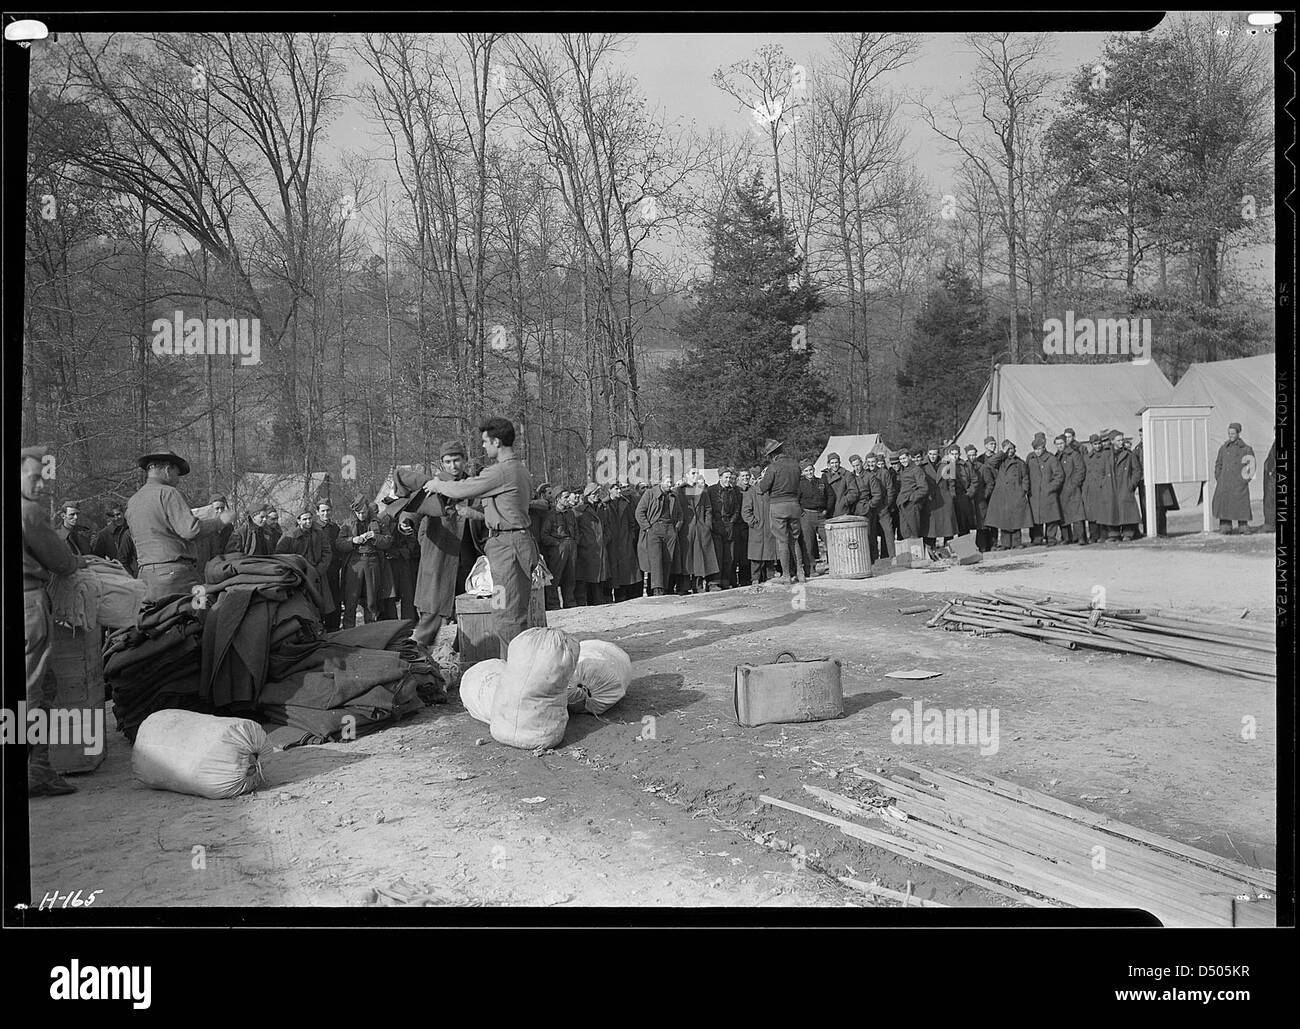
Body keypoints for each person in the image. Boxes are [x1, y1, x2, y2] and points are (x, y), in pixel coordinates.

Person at [423, 417, 537, 657]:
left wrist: (437, 484)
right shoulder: (519, 469)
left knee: (506, 614)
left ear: (496, 441)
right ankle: (517, 663)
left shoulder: (500, 471)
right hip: (514, 543)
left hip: (508, 549)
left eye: (485, 442)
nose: (484, 447)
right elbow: (508, 512)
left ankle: (514, 670)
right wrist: (471, 513)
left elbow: (464, 488)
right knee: (513, 610)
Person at [22, 445, 87, 797]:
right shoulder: (28, 512)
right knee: (37, 690)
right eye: (35, 477)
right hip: (28, 601)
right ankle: (36, 771)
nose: (42, 485)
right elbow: (62, 561)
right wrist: (77, 564)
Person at [126, 451, 233, 601]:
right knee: (200, 610)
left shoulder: (133, 501)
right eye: (177, 474)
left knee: (153, 619)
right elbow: (191, 530)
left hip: (145, 576)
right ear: (167, 469)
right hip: (176, 575)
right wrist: (220, 521)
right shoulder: (169, 493)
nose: (178, 480)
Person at [337, 496, 394, 627]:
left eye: (364, 512)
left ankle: (371, 628)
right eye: (358, 513)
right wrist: (353, 540)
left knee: (371, 599)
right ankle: (348, 630)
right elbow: (339, 543)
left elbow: (388, 541)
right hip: (355, 562)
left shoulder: (377, 522)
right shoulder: (347, 524)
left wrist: (376, 537)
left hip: (372, 561)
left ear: (368, 510)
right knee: (351, 598)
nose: (361, 515)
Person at [757, 439, 806, 584]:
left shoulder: (773, 467)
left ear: (772, 455)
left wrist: (760, 481)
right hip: (794, 505)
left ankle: (785, 575)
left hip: (778, 506)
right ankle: (800, 572)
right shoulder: (796, 465)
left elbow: (763, 488)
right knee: (794, 539)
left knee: (782, 540)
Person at [276, 510, 336, 619]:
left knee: (320, 603)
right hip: (299, 576)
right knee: (303, 605)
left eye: (310, 518)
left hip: (317, 574)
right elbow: (280, 555)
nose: (308, 521)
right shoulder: (289, 536)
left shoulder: (318, 533)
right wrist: (295, 572)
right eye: (304, 519)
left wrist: (319, 569)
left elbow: (327, 552)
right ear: (298, 521)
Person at [636, 475, 680, 596]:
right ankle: (657, 587)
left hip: (669, 528)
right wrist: (648, 528)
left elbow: (680, 514)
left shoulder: (673, 496)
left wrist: (676, 528)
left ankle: (665, 586)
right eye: (667, 482)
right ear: (661, 482)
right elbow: (639, 512)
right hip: (655, 527)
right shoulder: (650, 493)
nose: (670, 484)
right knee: (656, 559)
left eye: (671, 482)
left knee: (668, 558)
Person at [677, 469, 719, 593]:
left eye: (697, 473)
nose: (695, 476)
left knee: (700, 557)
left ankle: (698, 585)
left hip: (701, 528)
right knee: (686, 557)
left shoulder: (702, 491)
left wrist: (707, 525)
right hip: (686, 528)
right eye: (693, 473)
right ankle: (684, 587)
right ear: (686, 475)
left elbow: (708, 509)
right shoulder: (679, 491)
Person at [984, 441, 1032, 550]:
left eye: (1011, 449)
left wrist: (1024, 490)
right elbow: (990, 463)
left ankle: (1017, 542)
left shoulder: (1020, 463)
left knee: (1016, 519)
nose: (1010, 452)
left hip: (1016, 492)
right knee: (1004, 520)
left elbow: (1025, 477)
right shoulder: (1000, 461)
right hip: (1003, 494)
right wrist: (1002, 452)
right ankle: (1005, 543)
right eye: (1008, 450)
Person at [1212, 422, 1255, 533]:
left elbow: (1251, 466)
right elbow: (1218, 464)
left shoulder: (1245, 449)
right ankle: (1225, 527)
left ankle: (1243, 526)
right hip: (1224, 483)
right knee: (1224, 504)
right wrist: (1219, 477)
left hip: (1239, 484)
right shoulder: (1223, 448)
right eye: (1229, 433)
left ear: (1238, 433)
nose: (1230, 435)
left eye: (1232, 433)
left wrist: (1244, 480)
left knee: (1241, 505)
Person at [1025, 432, 1064, 546]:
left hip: (1048, 494)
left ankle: (1051, 538)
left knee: (1051, 516)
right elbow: (1026, 473)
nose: (1037, 451)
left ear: (1044, 446)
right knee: (1035, 517)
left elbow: (1059, 475)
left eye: (1040, 449)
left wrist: (1050, 488)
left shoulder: (1051, 459)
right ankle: (1037, 538)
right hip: (1034, 494)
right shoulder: (1030, 458)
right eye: (1035, 449)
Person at [541, 488, 578, 606]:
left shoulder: (570, 513)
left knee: (570, 576)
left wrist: (575, 541)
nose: (568, 500)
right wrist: (557, 544)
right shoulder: (550, 515)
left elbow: (576, 530)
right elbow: (544, 535)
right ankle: (553, 604)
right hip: (558, 548)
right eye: (565, 497)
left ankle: (570, 602)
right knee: (555, 577)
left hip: (571, 546)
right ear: (558, 499)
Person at [741, 466, 777, 584]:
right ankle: (755, 578)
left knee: (770, 555)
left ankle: (770, 577)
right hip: (757, 529)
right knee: (756, 557)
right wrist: (753, 523)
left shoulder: (771, 492)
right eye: (761, 478)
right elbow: (746, 511)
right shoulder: (751, 493)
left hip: (770, 528)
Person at [708, 467, 743, 589]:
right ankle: (714, 582)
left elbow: (737, 508)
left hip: (729, 525)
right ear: (720, 477)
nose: (728, 480)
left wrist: (732, 521)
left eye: (729, 477)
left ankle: (725, 581)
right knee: (717, 555)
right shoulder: (711, 490)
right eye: (726, 477)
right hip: (717, 525)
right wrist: (713, 524)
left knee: (729, 555)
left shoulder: (732, 491)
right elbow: (708, 508)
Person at [573, 483, 608, 605]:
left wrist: (606, 538)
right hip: (586, 549)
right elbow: (575, 530)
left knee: (598, 578)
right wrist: (584, 541)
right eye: (594, 493)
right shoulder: (579, 511)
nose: (596, 496)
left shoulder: (601, 507)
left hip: (599, 548)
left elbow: (607, 526)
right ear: (587, 495)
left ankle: (598, 600)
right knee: (585, 578)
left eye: (598, 493)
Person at [848, 453, 887, 562]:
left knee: (870, 535)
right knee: (857, 537)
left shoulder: (870, 477)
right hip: (855, 510)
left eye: (858, 465)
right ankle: (862, 559)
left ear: (862, 463)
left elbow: (877, 495)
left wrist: (869, 506)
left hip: (866, 509)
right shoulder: (850, 476)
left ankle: (873, 559)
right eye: (854, 466)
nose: (857, 467)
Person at [922, 445, 962, 547]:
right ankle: (931, 547)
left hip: (945, 497)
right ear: (927, 454)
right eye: (930, 454)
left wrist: (952, 496)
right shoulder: (922, 466)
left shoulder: (948, 463)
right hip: (931, 498)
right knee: (931, 526)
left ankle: (948, 546)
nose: (932, 456)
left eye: (934, 454)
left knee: (947, 524)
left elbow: (951, 481)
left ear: (938, 454)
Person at [315, 500, 345, 631]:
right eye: (322, 511)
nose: (325, 513)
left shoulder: (335, 528)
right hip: (320, 569)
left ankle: (334, 628)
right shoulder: (314, 528)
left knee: (334, 599)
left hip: (333, 569)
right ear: (317, 513)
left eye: (328, 510)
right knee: (321, 599)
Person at [796, 459, 829, 572]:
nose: (809, 472)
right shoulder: (800, 484)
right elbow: (796, 500)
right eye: (806, 471)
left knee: (829, 540)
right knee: (807, 544)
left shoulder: (821, 482)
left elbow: (830, 496)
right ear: (803, 472)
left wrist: (826, 509)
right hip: (807, 515)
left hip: (821, 515)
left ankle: (834, 565)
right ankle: (810, 569)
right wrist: (801, 512)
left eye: (811, 470)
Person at [1056, 433, 1088, 545]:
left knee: (1077, 513)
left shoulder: (1074, 454)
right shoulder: (1057, 456)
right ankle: (1066, 538)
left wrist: (1074, 483)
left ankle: (1081, 537)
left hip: (1073, 488)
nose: (1060, 446)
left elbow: (1081, 470)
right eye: (1057, 444)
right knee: (1063, 514)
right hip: (1061, 490)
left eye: (1061, 443)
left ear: (1065, 443)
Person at [192, 495, 235, 570]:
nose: (220, 511)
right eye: (217, 508)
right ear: (210, 509)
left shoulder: (229, 527)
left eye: (222, 508)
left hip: (223, 563)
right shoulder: (204, 526)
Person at [896, 449, 928, 541]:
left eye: (904, 458)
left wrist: (912, 498)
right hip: (903, 504)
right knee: (905, 532)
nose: (903, 461)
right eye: (901, 459)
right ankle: (910, 553)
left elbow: (924, 488)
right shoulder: (904, 470)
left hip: (911, 505)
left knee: (914, 532)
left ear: (909, 457)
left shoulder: (916, 470)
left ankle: (917, 553)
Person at [732, 469, 753, 585]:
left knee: (746, 555)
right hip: (736, 525)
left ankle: (746, 579)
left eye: (747, 476)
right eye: (743, 476)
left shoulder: (752, 489)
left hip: (748, 526)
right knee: (736, 555)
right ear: (739, 478)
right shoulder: (735, 491)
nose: (745, 478)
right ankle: (735, 580)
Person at [822, 453, 859, 518]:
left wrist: (844, 502)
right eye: (832, 463)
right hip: (829, 509)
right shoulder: (825, 475)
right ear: (829, 464)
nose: (834, 465)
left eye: (836, 462)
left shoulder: (846, 474)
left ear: (840, 462)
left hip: (841, 510)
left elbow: (854, 492)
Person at [1263, 437, 1276, 532]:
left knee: (1271, 499)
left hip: (1273, 476)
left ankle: (1270, 525)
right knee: (1269, 499)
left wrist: (1272, 471)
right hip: (1271, 476)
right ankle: (1270, 524)